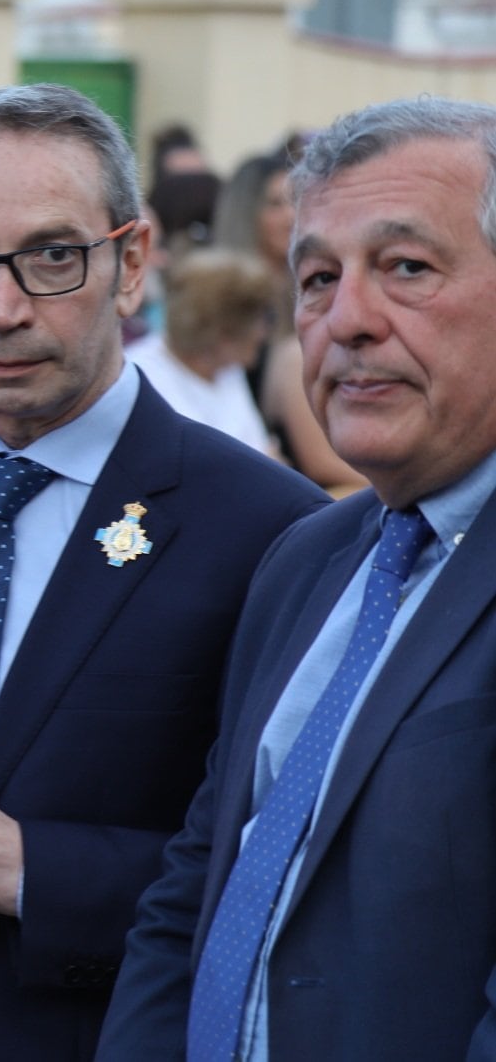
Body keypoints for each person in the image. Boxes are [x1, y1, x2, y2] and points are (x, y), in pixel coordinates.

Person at [0, 84, 327, 1061]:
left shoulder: (265, 525)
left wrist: (29, 868)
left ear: (131, 264)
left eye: (48, 257)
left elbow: (287, 870)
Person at [99, 96, 496, 1060]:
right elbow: (197, 886)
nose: (347, 320)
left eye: (406, 267)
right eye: (317, 278)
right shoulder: (305, 558)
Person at [212, 150, 365, 492]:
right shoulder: (224, 299)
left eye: (296, 203)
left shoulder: (314, 285)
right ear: (246, 214)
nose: (291, 216)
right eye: (275, 204)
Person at [124, 248, 276, 457]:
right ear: (222, 333)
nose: (263, 331)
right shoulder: (140, 375)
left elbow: (267, 456)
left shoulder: (226, 367)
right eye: (259, 319)